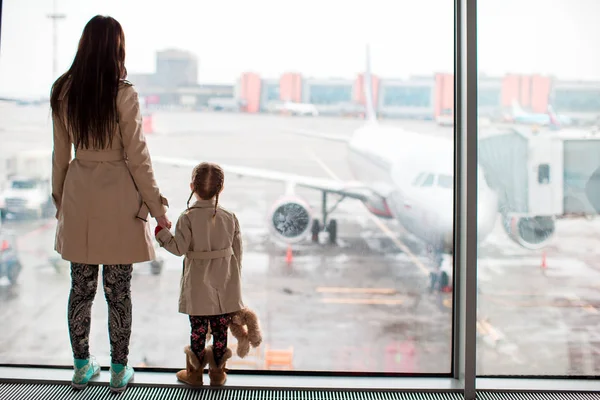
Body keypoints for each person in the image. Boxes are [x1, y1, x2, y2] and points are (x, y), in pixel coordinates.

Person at [50, 15, 171, 393]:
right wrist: (157, 207)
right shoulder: (123, 92)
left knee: (80, 290)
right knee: (118, 292)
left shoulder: (63, 90)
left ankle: (81, 368)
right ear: (116, 48)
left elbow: (59, 155)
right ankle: (120, 371)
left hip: (79, 195)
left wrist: (60, 201)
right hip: (119, 198)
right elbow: (138, 157)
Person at [155, 162, 244, 387]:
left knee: (198, 330)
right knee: (221, 329)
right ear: (220, 189)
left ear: (192, 186)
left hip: (197, 285)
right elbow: (238, 253)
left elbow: (179, 249)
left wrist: (162, 235)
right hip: (224, 284)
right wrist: (235, 279)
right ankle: (217, 374)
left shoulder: (187, 217)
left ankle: (194, 374)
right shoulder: (230, 217)